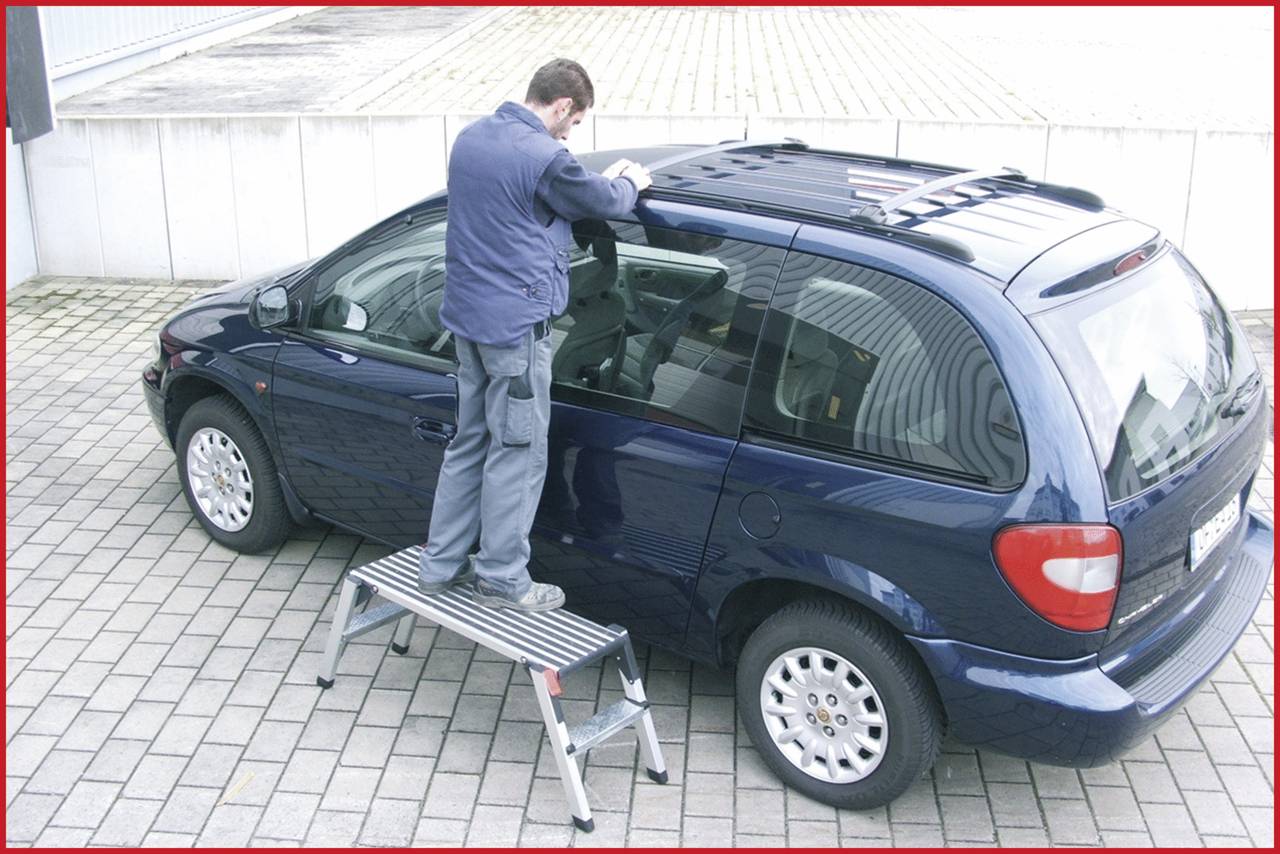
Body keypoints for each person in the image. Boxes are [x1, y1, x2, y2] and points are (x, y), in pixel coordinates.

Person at [417, 59, 652, 611]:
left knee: (469, 442)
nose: (571, 135)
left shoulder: (472, 138)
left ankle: (441, 564)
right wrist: (629, 182)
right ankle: (501, 577)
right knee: (518, 452)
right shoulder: (544, 157)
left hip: (468, 324)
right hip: (515, 332)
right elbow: (599, 201)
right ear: (563, 105)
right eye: (574, 123)